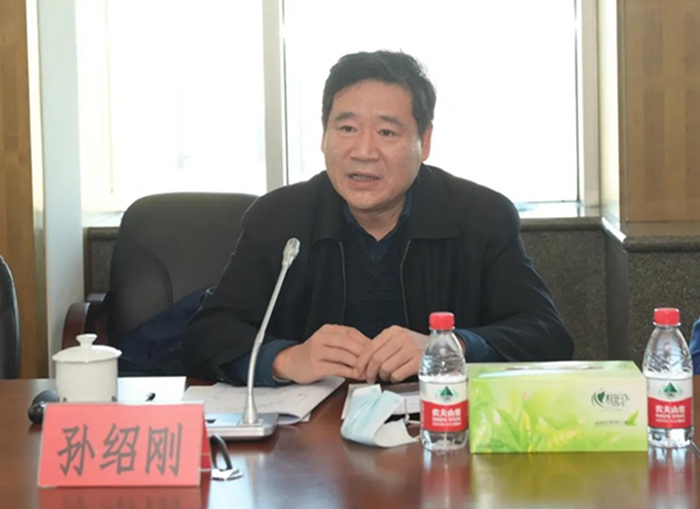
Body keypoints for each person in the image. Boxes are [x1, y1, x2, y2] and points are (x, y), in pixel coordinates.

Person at [184, 50, 573, 386]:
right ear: (324, 135)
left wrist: (449, 347)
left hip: (438, 427)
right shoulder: (279, 218)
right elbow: (207, 334)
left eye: (387, 132)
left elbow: (547, 335)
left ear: (425, 142)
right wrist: (286, 359)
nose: (363, 151)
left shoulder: (480, 217)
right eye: (347, 128)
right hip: (309, 437)